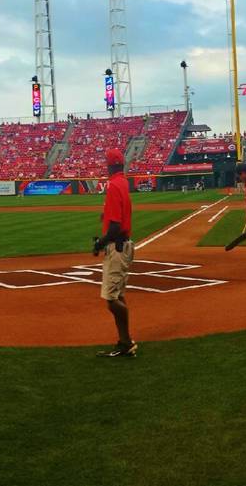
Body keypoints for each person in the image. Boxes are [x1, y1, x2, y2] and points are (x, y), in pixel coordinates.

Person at [91, 148, 136, 359]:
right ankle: (124, 342)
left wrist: (99, 244)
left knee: (111, 299)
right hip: (124, 245)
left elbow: (115, 228)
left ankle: (127, 342)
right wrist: (106, 216)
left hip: (117, 247)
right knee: (118, 295)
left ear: (108, 165)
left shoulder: (112, 185)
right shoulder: (123, 182)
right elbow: (117, 215)